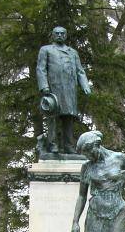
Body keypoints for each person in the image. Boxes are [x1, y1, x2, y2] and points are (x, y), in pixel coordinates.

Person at [36, 26, 91, 154]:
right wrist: (44, 86)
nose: (59, 35)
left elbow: (80, 71)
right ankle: (52, 145)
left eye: (62, 33)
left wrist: (85, 86)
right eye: (57, 33)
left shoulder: (73, 52)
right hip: (53, 88)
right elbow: (40, 69)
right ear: (53, 35)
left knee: (69, 117)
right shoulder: (46, 50)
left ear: (65, 35)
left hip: (70, 89)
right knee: (53, 117)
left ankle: (69, 146)